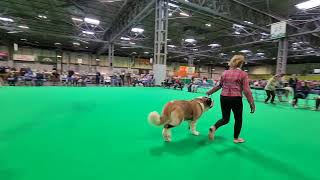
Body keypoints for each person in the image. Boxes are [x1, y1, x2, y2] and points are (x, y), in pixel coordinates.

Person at [206, 55, 255, 143]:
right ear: (241, 64)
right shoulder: (243, 74)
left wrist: (210, 92)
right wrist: (251, 103)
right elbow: (246, 90)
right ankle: (236, 138)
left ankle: (214, 127)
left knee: (225, 119)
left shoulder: (225, 73)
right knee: (238, 119)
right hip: (236, 98)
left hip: (224, 97)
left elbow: (219, 85)